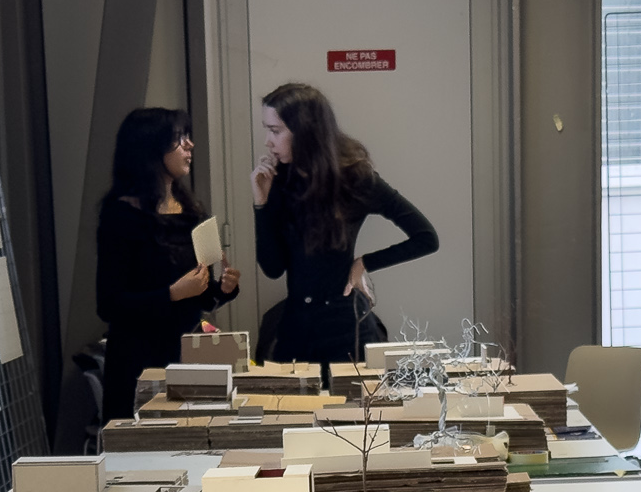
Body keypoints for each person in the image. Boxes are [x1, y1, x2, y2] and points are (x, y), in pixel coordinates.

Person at [251, 82, 438, 374]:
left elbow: (426, 238)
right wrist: (261, 204)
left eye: (275, 131)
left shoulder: (356, 178)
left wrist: (364, 263)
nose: (267, 141)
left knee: (350, 403)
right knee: (290, 403)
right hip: (295, 327)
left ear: (304, 131)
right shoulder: (280, 180)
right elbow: (273, 268)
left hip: (345, 328)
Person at [96, 107, 239, 420]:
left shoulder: (192, 211)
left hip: (187, 355)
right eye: (178, 138)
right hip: (137, 361)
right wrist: (173, 294)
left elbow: (204, 298)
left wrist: (224, 288)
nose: (190, 145)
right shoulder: (120, 216)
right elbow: (109, 305)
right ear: (151, 148)